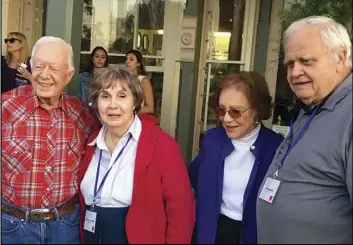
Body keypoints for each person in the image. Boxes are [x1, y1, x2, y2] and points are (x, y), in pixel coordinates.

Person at [256, 16, 352, 244]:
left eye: (306, 61)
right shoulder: (313, 106)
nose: (295, 72)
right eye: (290, 63)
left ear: (341, 57)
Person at [78, 66, 195, 244]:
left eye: (122, 96)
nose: (112, 105)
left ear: (135, 103)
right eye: (105, 96)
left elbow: (181, 211)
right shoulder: (91, 143)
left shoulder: (162, 145)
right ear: (96, 102)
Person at [1, 36, 99, 244]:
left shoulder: (82, 114)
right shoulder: (5, 107)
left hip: (66, 228)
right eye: (39, 66)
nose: (45, 75)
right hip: (12, 228)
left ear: (69, 75)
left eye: (54, 68)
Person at [188, 72, 284, 244]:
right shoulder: (213, 140)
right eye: (221, 110)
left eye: (236, 112)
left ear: (256, 110)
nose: (226, 119)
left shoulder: (276, 147)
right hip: (211, 232)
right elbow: (190, 179)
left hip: (253, 235)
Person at [125, 49, 154, 114]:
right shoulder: (123, 79)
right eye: (126, 59)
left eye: (131, 59)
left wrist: (131, 111)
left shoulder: (144, 80)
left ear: (138, 64)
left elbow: (150, 108)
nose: (127, 61)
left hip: (136, 117)